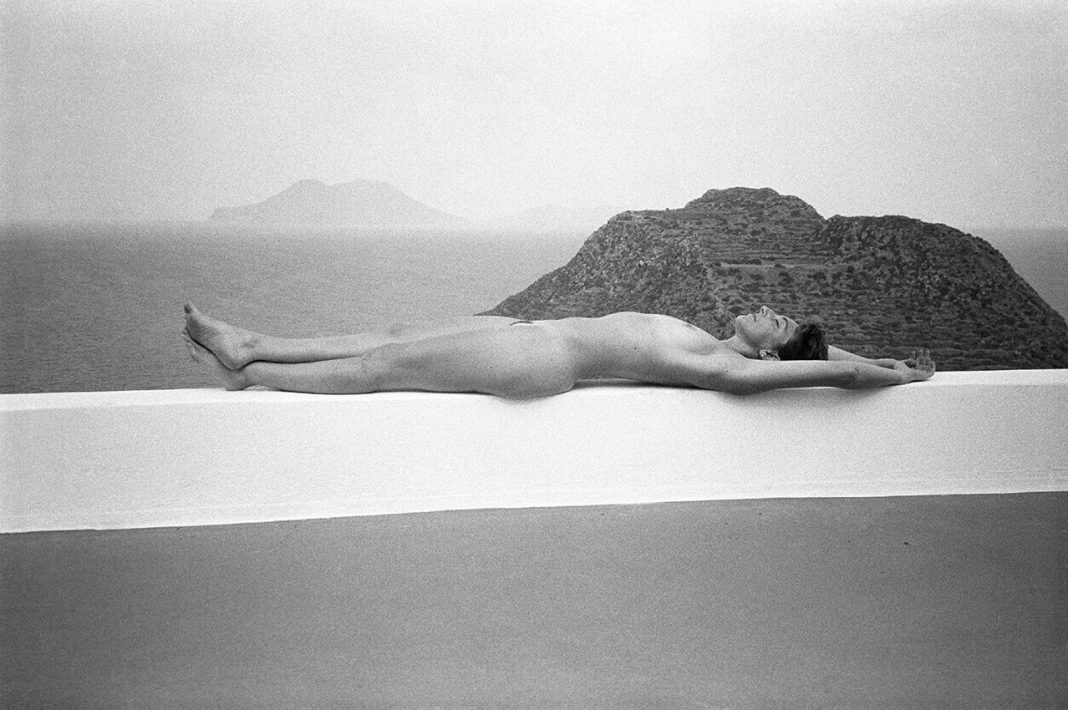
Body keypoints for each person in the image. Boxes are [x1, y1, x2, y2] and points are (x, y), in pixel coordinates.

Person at [181, 303, 935, 398]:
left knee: (387, 369)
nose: (769, 309)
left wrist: (893, 373)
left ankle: (254, 371)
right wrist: (883, 354)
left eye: (780, 320)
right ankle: (250, 347)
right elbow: (828, 351)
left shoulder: (726, 368)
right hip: (533, 335)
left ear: (772, 355)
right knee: (395, 338)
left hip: (541, 362)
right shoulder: (713, 342)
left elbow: (832, 367)